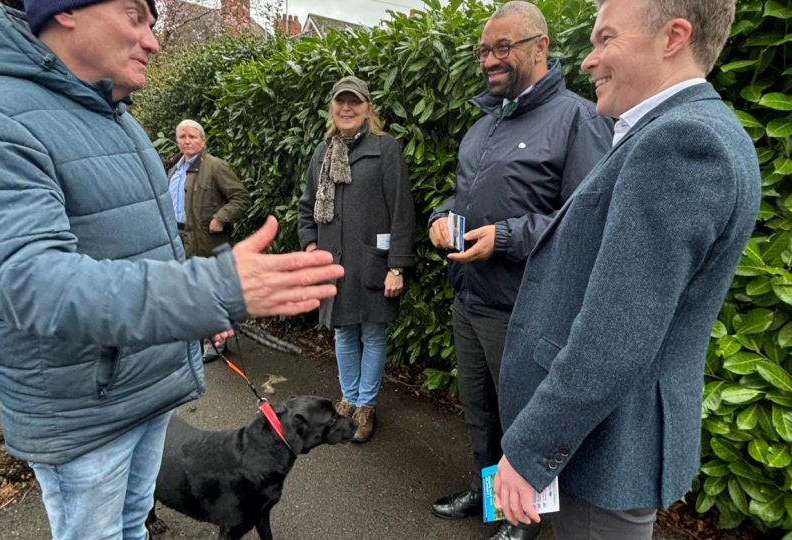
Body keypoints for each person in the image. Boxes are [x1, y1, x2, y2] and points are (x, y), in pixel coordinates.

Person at [0, 3, 343, 540]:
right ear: (67, 10)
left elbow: (142, 251)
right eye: (135, 15)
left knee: (133, 529)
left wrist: (197, 311)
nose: (153, 41)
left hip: (144, 394)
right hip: (86, 415)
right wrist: (208, 290)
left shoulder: (116, 117)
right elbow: (27, 281)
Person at [493, 0, 761, 538]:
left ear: (673, 38)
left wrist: (530, 452)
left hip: (605, 452)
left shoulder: (682, 142)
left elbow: (615, 336)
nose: (588, 60)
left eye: (605, 39)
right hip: (605, 443)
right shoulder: (679, 130)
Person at [427, 3, 613, 539]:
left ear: (541, 47)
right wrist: (442, 217)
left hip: (525, 308)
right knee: (480, 414)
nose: (491, 59)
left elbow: (584, 221)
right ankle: (490, 497)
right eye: (485, 50)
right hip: (469, 298)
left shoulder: (579, 119)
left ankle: (524, 519)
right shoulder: (484, 122)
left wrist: (505, 238)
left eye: (503, 47)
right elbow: (464, 195)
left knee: (524, 422)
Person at [298, 75, 415, 444]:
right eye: (340, 102)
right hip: (333, 263)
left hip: (372, 262)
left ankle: (367, 405)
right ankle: (348, 399)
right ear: (332, 108)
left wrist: (397, 265)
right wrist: (311, 246)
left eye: (355, 102)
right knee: (344, 334)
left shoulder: (385, 148)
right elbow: (306, 207)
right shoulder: (323, 152)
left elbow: (401, 210)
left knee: (374, 334)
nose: (346, 108)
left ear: (368, 108)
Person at [167, 118, 250, 360]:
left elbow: (241, 197)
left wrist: (221, 218)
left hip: (207, 241)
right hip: (179, 239)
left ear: (202, 141)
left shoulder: (215, 166)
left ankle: (216, 344)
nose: (187, 141)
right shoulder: (174, 168)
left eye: (192, 136)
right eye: (182, 136)